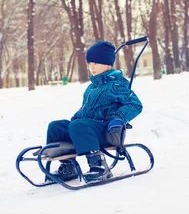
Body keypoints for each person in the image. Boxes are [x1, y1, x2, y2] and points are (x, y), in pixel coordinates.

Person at [46, 40, 143, 183]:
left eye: (96, 63)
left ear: (108, 64)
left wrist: (119, 118)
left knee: (78, 126)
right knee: (56, 126)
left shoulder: (117, 84)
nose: (92, 67)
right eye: (89, 63)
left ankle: (99, 165)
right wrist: (77, 117)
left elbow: (135, 104)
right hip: (87, 129)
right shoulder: (91, 87)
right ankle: (68, 166)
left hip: (108, 131)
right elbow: (87, 109)